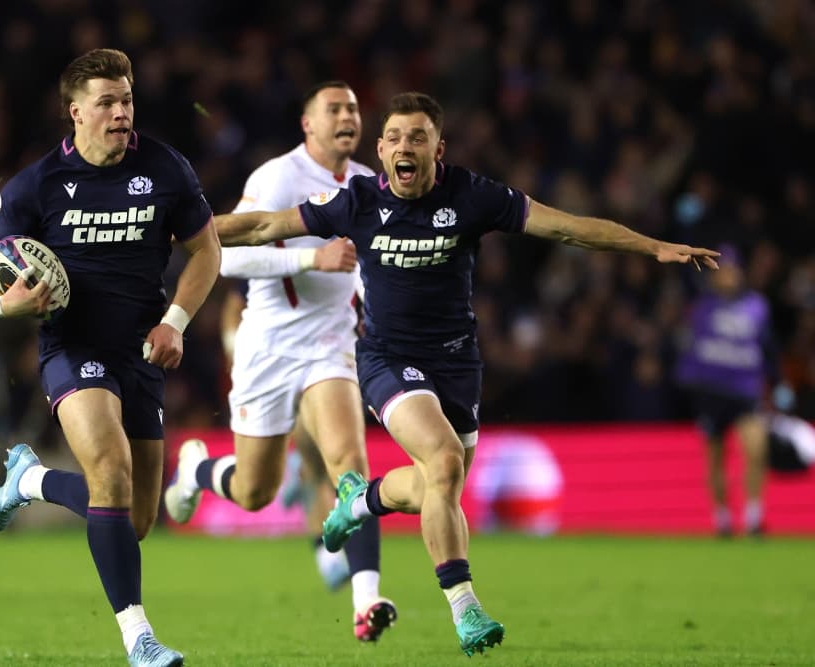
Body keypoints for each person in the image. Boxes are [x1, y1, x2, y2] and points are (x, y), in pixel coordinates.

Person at [212, 91, 720, 657]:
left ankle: (360, 501)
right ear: (380, 151)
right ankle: (465, 606)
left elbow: (567, 228)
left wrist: (653, 247)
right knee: (444, 459)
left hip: (456, 363)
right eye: (395, 137)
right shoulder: (356, 200)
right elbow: (262, 226)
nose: (405, 146)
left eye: (418, 137)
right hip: (386, 360)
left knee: (437, 485)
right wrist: (186, 227)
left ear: (438, 148)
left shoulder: (473, 195)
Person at [0, 48, 220, 667]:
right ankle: (140, 639)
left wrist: (175, 321)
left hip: (142, 351)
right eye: (107, 102)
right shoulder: (38, 183)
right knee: (109, 470)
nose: (121, 112)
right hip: (73, 347)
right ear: (75, 113)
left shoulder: (165, 168)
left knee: (136, 518)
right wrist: (2, 303)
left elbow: (207, 250)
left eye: (126, 100)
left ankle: (30, 480)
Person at [164, 81, 396, 641]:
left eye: (353, 108)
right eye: (333, 109)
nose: (347, 116)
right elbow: (224, 258)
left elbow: (367, 266)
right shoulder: (277, 178)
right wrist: (312, 259)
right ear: (308, 124)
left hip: (330, 346)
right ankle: (196, 470)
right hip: (267, 347)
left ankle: (366, 601)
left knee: (350, 466)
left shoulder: (368, 183)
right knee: (254, 491)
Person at [218, 283, 350, 591]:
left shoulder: (341, 263)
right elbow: (233, 305)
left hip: (324, 361)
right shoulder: (271, 264)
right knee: (257, 488)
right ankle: (295, 471)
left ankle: (326, 552)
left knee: (320, 457)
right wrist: (233, 350)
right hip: (270, 367)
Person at [675, 245, 778, 536]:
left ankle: (754, 517)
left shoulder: (757, 306)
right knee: (716, 458)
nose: (728, 276)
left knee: (756, 450)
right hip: (712, 392)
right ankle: (722, 518)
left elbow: (768, 348)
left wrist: (776, 384)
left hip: (745, 390)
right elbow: (690, 349)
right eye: (723, 271)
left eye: (732, 270)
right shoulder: (702, 307)